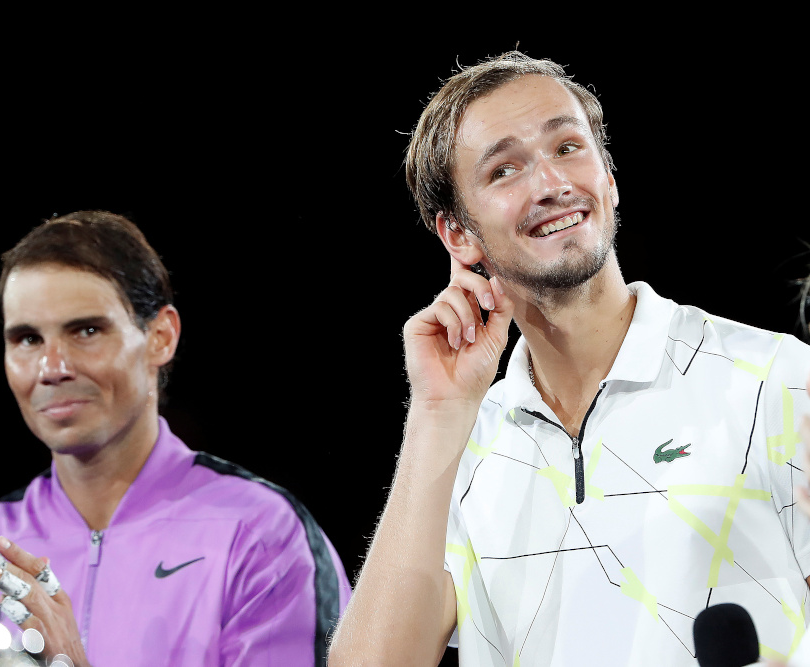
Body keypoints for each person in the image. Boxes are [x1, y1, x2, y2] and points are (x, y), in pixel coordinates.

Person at [328, 52, 810, 666]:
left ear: (608, 176)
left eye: (567, 147)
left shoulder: (777, 379)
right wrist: (437, 410)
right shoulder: (457, 443)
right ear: (458, 235)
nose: (551, 184)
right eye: (504, 170)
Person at [0, 211, 351, 667]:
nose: (51, 367)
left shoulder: (261, 535)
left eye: (86, 330)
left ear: (160, 336)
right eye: (27, 338)